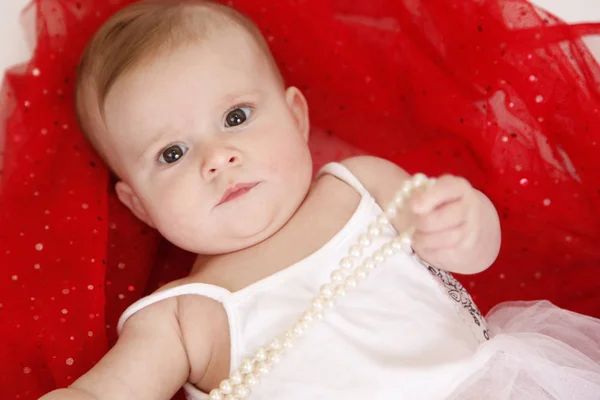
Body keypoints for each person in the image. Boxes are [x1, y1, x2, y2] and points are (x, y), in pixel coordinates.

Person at [33, 1, 600, 399]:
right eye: (172, 153)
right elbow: (112, 389)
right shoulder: (182, 315)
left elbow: (472, 256)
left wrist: (466, 224)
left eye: (235, 118)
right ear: (139, 206)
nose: (217, 157)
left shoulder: (360, 185)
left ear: (296, 116)